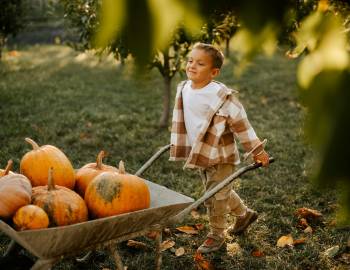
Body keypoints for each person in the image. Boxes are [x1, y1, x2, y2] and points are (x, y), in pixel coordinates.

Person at [169, 42, 270, 253]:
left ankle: (216, 234)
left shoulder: (221, 96)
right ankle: (244, 215)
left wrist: (257, 151)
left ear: (214, 72)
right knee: (219, 191)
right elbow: (186, 119)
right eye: (190, 61)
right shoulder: (185, 88)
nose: (192, 66)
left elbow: (242, 124)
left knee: (216, 196)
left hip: (221, 155)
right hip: (202, 154)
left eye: (200, 63)